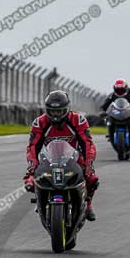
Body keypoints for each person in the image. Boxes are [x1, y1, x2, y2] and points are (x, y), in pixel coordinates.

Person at [23, 90, 100, 221]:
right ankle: (40, 199)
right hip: (49, 158)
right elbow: (32, 147)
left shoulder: (78, 120)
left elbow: (88, 143)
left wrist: (88, 164)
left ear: (66, 109)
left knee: (92, 178)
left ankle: (87, 203)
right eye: (53, 111)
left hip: (74, 158)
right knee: (30, 180)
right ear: (47, 110)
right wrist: (32, 167)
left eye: (59, 111)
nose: (56, 115)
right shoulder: (39, 123)